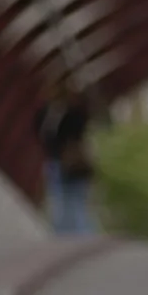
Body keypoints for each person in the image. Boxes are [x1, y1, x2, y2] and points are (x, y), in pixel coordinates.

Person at [37, 99, 96, 235]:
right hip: (58, 164)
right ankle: (66, 232)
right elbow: (42, 134)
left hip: (74, 167)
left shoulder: (75, 113)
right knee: (60, 200)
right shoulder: (46, 113)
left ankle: (79, 233)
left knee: (76, 200)